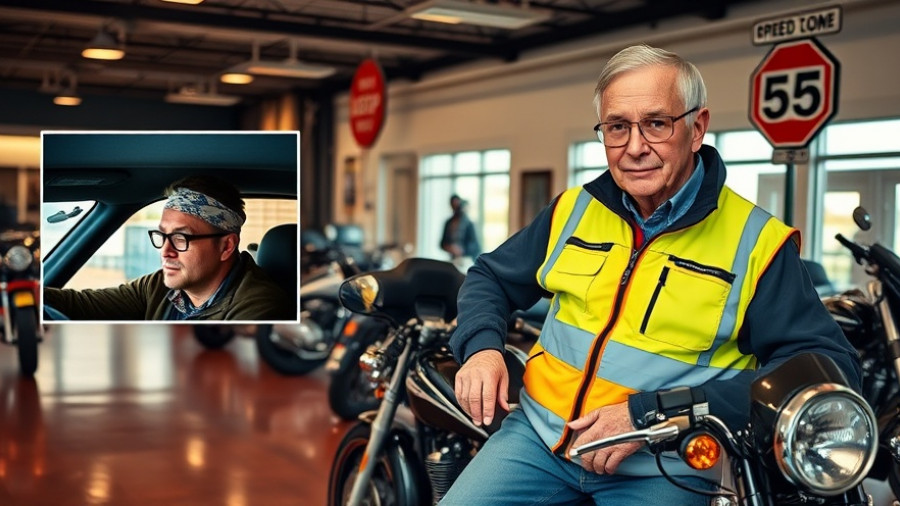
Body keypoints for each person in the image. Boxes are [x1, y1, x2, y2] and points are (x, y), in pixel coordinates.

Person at [443, 45, 861, 505]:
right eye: (617, 127)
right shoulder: (572, 210)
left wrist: (651, 415)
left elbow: (825, 368)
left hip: (665, 464)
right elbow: (490, 276)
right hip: (539, 440)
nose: (635, 147)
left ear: (696, 128)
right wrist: (482, 350)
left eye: (657, 124)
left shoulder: (758, 242)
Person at [43, 175, 295, 321]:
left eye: (181, 238)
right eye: (162, 236)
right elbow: (78, 305)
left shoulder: (259, 308)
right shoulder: (157, 286)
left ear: (226, 246)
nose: (165, 251)